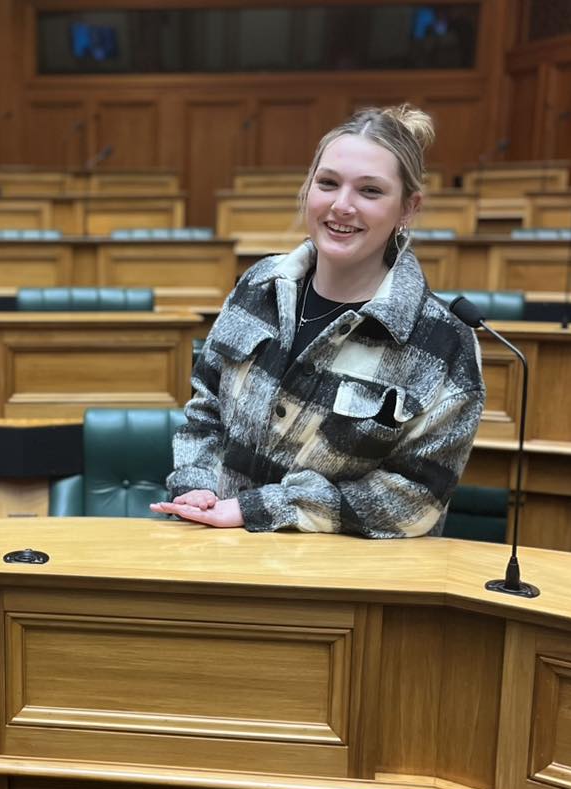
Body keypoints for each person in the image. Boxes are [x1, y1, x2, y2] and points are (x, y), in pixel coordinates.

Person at [151, 105, 485, 538]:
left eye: (370, 191)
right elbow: (206, 408)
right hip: (215, 550)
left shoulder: (443, 343)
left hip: (337, 572)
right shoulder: (259, 285)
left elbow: (413, 499)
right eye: (328, 183)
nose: (341, 205)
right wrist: (196, 486)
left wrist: (257, 509)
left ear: (408, 208)